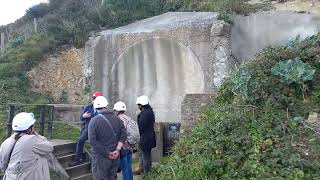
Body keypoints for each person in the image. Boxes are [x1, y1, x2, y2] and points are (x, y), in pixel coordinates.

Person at [0, 112, 53, 180]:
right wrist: (36, 134)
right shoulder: (32, 140)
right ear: (29, 128)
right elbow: (49, 147)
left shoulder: (6, 142)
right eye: (33, 126)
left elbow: (2, 166)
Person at [88, 96, 126, 180]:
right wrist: (117, 150)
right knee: (112, 177)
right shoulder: (118, 119)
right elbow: (123, 135)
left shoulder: (94, 121)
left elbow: (92, 140)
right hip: (115, 157)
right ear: (106, 106)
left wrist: (107, 153)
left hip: (100, 158)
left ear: (95, 108)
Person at [70, 91, 103, 166]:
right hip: (88, 128)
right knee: (80, 140)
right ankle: (78, 159)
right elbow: (81, 118)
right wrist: (83, 116)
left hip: (99, 129)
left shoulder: (102, 109)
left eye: (95, 98)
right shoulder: (88, 107)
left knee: (96, 145)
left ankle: (96, 163)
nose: (94, 100)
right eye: (93, 98)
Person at [114, 101, 134, 180]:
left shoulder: (118, 119)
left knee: (124, 169)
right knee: (129, 168)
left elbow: (119, 134)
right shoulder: (128, 118)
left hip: (123, 147)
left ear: (117, 111)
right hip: (130, 146)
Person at [136, 95, 156, 173]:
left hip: (145, 138)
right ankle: (145, 171)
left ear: (141, 105)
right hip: (150, 137)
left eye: (139, 105)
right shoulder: (151, 112)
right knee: (147, 156)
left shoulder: (144, 114)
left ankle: (147, 174)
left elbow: (141, 127)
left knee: (146, 157)